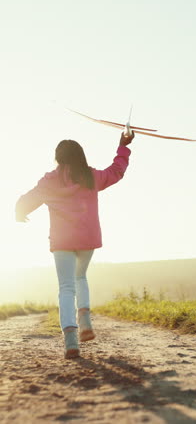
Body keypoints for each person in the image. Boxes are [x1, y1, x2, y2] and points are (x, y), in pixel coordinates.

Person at [15, 131, 134, 358]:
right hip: (87, 238)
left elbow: (29, 198)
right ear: (80, 156)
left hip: (62, 241)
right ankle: (85, 319)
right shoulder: (90, 177)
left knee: (66, 287)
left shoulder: (49, 181)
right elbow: (116, 171)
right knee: (81, 277)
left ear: (58, 158)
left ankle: (71, 340)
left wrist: (19, 211)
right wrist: (123, 146)